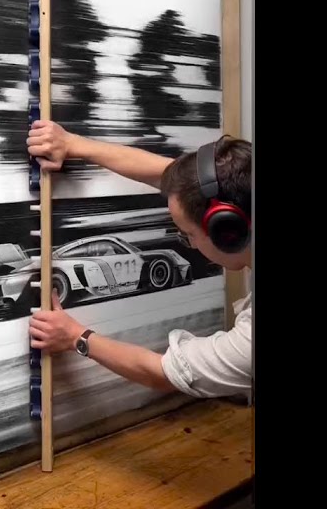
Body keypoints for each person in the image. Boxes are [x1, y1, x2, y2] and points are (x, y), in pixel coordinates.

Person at [26, 120, 252, 399]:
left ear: (227, 230)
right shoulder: (241, 187)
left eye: (190, 234)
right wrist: (72, 144)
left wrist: (75, 337)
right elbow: (167, 175)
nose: (191, 245)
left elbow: (161, 373)